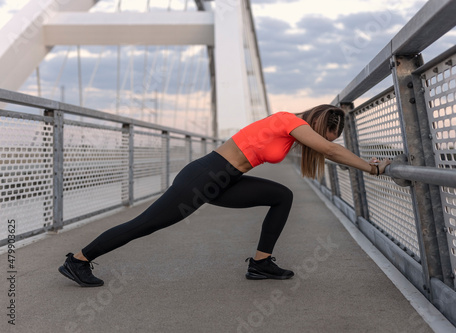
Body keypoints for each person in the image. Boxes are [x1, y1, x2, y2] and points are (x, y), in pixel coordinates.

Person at [58, 104, 390, 287]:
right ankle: (78, 260)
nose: (322, 141)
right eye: (325, 135)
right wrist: (371, 168)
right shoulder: (287, 120)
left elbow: (328, 150)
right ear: (318, 124)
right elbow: (330, 151)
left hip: (226, 179)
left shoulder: (290, 131)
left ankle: (261, 264)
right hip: (205, 176)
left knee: (282, 195)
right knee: (145, 224)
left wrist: (354, 162)